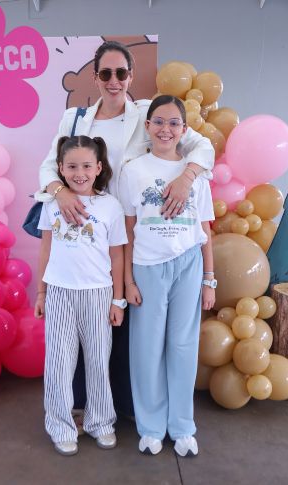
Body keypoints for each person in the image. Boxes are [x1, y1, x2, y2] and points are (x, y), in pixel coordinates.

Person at [34, 40, 215, 421]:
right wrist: (61, 192)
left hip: (129, 229)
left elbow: (201, 145)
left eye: (121, 73)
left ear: (131, 76)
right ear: (96, 77)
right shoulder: (75, 118)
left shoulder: (146, 113)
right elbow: (49, 166)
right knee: (81, 320)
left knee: (120, 318)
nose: (113, 81)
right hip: (84, 223)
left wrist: (187, 177)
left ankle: (125, 409)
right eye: (105, 73)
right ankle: (80, 406)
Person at [118, 95, 216, 457]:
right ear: (147, 126)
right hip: (147, 266)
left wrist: (209, 278)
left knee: (183, 347)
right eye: (159, 121)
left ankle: (182, 425)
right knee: (146, 348)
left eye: (174, 123)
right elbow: (127, 231)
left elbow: (206, 230)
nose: (166, 129)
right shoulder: (133, 171)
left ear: (184, 130)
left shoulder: (197, 173)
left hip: (188, 265)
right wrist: (127, 281)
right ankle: (151, 426)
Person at [34, 135, 128, 456]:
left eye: (87, 166)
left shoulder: (110, 206)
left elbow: (117, 256)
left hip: (98, 295)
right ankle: (60, 425)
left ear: (98, 167)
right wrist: (41, 291)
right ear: (60, 169)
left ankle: (100, 422)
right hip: (60, 293)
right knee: (59, 363)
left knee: (98, 360)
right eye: (72, 166)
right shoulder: (51, 204)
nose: (80, 173)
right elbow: (45, 247)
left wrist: (118, 299)